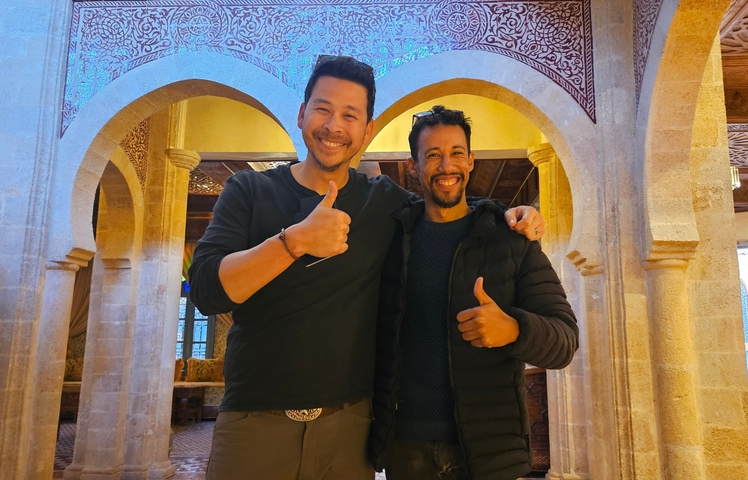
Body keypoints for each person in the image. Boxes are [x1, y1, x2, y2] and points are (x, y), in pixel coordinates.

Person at [187, 56, 546, 480]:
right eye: (322, 109)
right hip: (253, 422)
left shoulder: (384, 201)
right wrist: (293, 241)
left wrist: (511, 214)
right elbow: (206, 289)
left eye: (349, 115)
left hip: (349, 428)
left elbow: (448, 204)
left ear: (367, 130)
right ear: (302, 114)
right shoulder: (248, 189)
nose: (333, 126)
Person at [368, 106, 579, 480]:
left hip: (489, 454)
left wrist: (514, 329)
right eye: (432, 155)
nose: (446, 165)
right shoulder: (391, 239)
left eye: (456, 153)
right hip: (406, 451)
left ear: (471, 161)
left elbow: (565, 340)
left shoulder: (510, 241)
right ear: (414, 166)